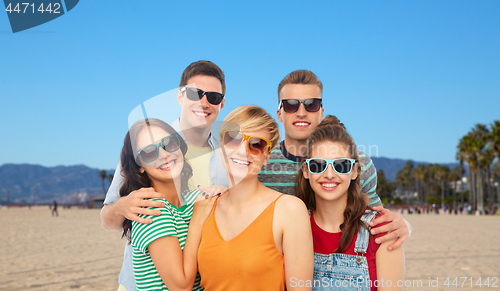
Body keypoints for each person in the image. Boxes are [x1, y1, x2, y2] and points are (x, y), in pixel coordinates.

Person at [101, 60, 228, 291]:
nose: (203, 102)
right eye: (194, 93)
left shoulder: (229, 157)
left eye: (213, 97)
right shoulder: (144, 138)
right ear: (180, 97)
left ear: (221, 104)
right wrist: (122, 206)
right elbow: (107, 218)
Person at [258, 70, 411, 250]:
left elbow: (378, 222)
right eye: (291, 105)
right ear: (279, 114)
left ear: (321, 112)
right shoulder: (260, 162)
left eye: (311, 104)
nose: (301, 112)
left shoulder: (358, 163)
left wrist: (405, 226)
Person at [197, 105, 314, 290]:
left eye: (256, 145)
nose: (243, 151)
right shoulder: (205, 207)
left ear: (267, 156)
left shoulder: (289, 210)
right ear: (220, 146)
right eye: (233, 139)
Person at [295, 119, 405, 290]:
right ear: (306, 171)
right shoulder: (294, 229)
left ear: (354, 171)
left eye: (341, 166)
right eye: (318, 165)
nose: (329, 174)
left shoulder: (381, 230)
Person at [120, 118, 215, 290]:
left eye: (169, 143)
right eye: (149, 152)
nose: (164, 155)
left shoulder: (194, 198)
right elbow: (181, 286)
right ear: (139, 165)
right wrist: (198, 220)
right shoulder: (151, 209)